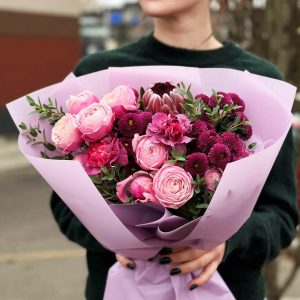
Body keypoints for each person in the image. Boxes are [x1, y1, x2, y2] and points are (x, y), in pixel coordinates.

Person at [50, 0, 298, 299]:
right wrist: (116, 238)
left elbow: (281, 215)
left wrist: (227, 241)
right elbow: (65, 206)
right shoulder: (97, 74)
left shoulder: (259, 79)